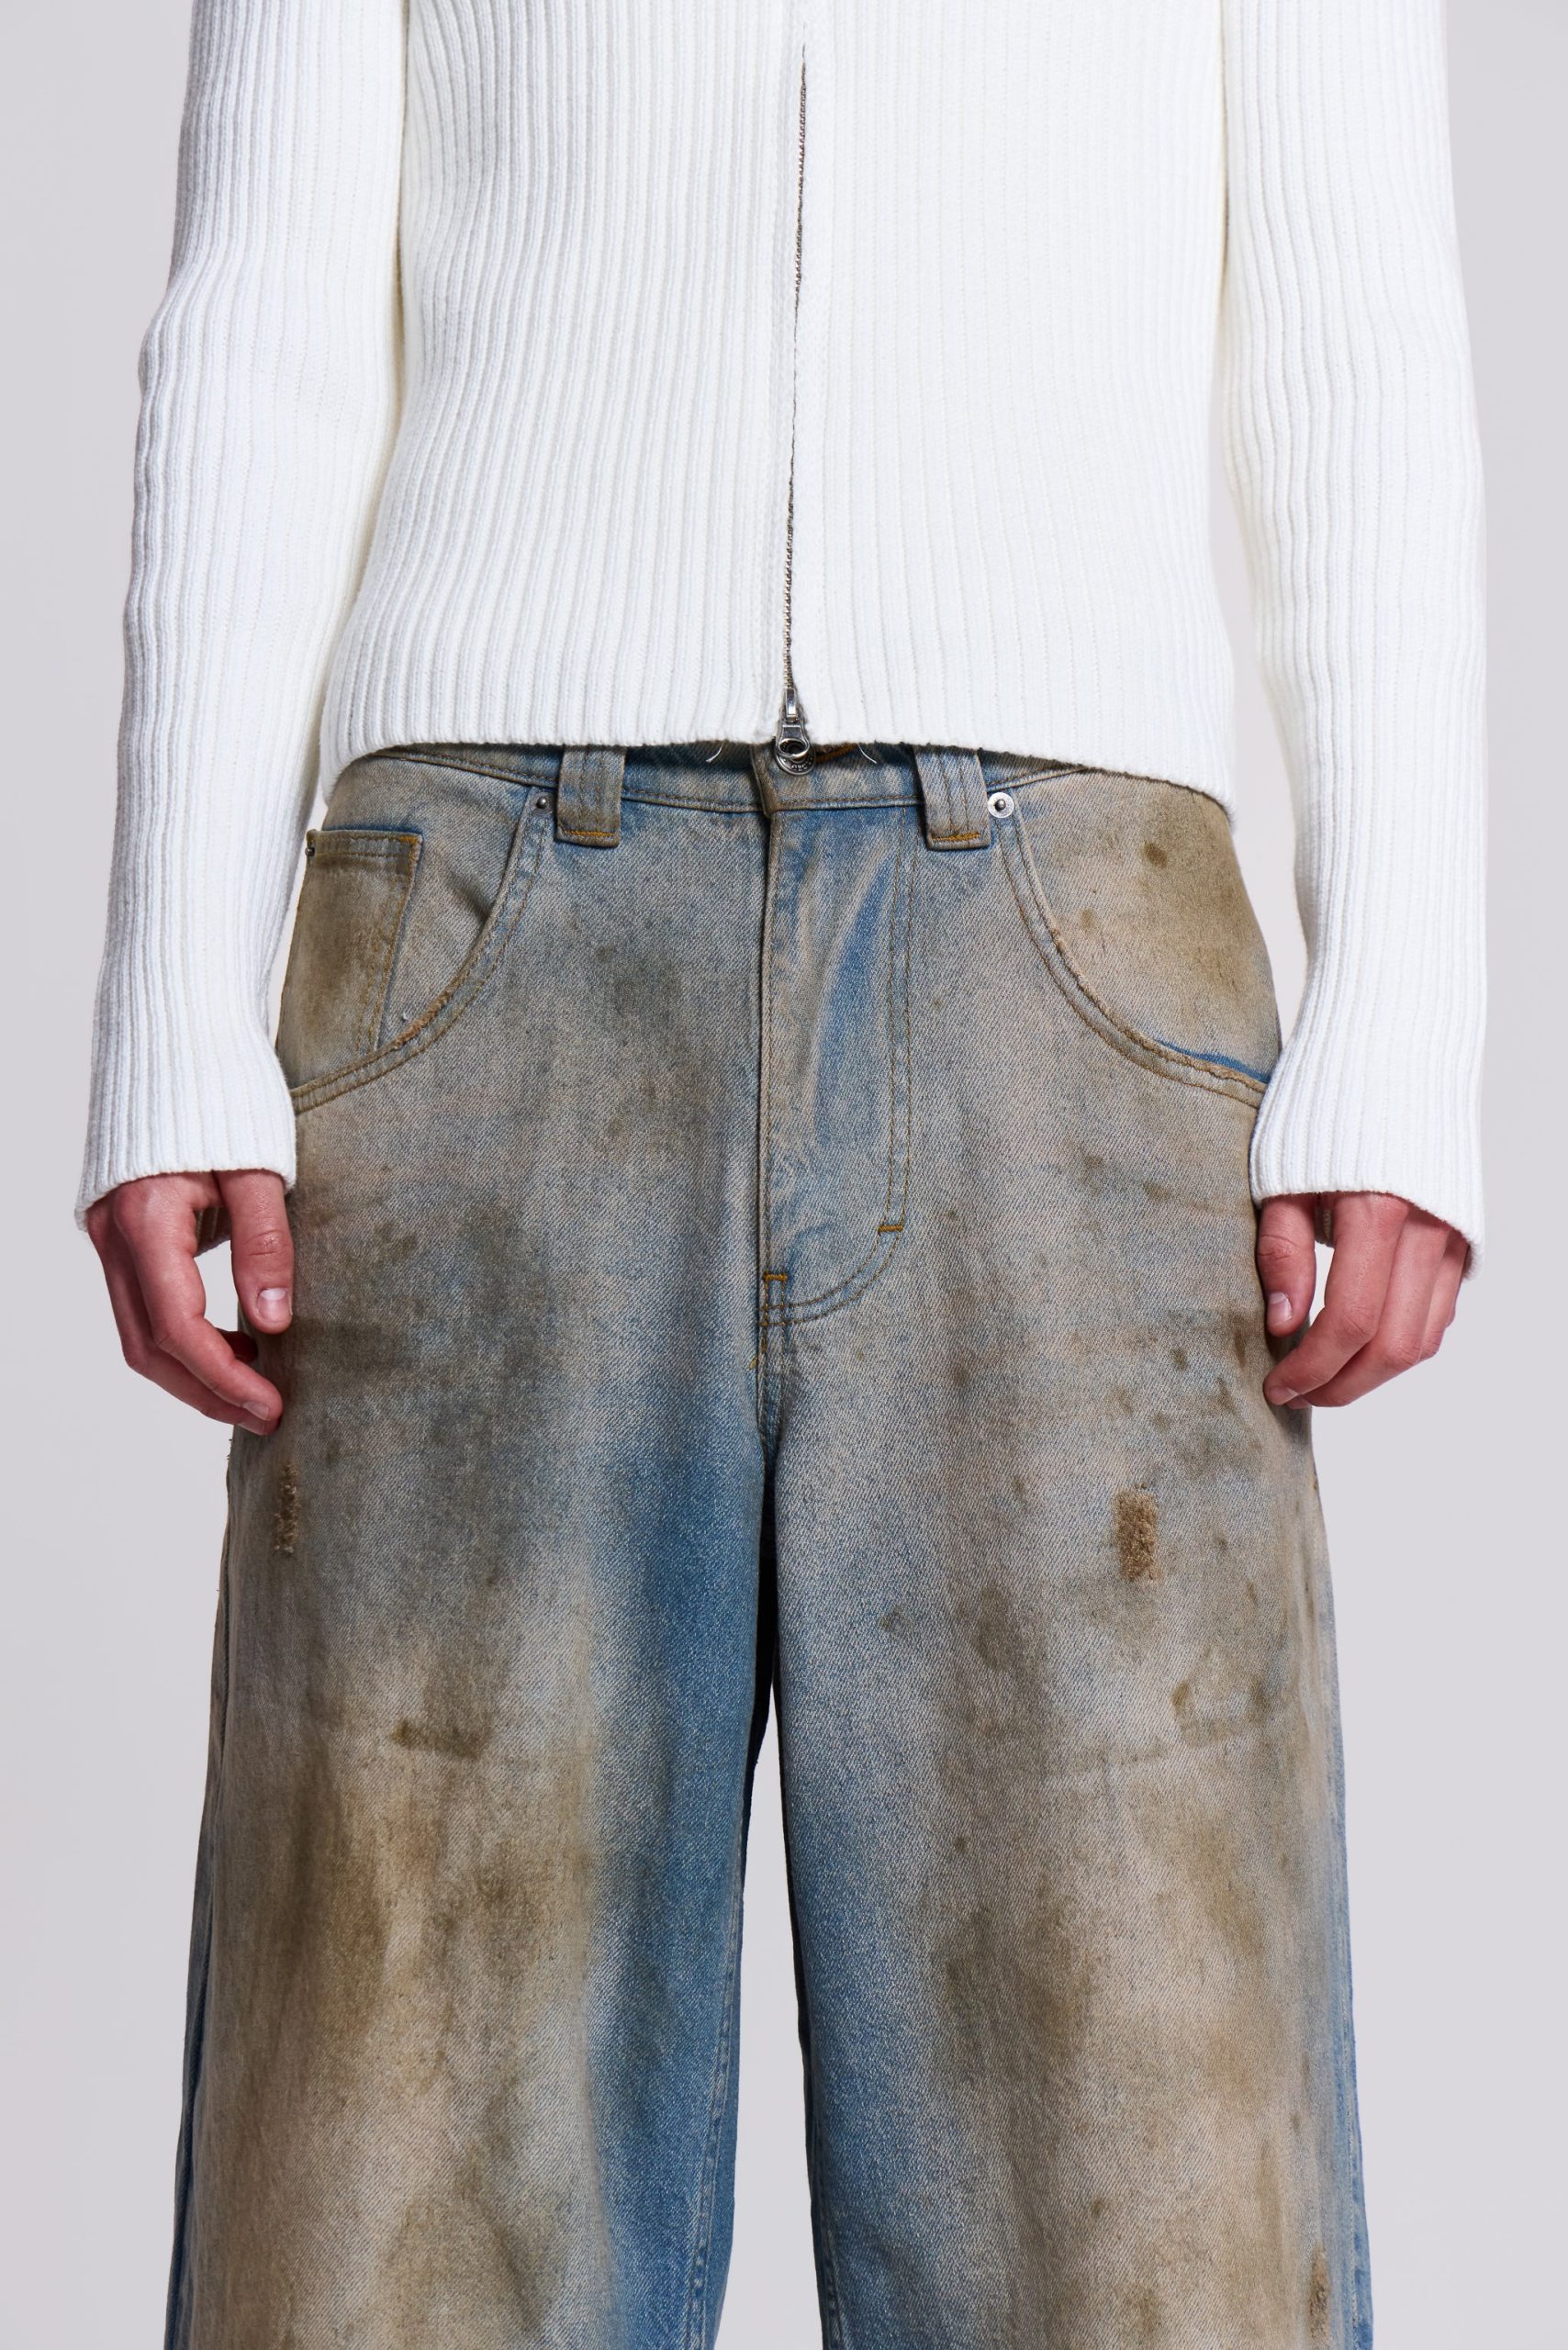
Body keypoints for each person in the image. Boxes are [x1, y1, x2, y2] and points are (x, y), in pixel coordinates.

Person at [79, 1, 1484, 2343]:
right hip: (479, 938)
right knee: (394, 2186)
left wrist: (1404, 1019)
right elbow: (262, 301)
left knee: (1141, 2209)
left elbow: (1353, 328)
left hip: (1073, 949)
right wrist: (171, 991)